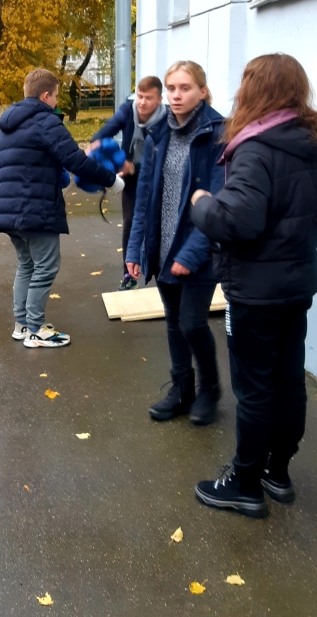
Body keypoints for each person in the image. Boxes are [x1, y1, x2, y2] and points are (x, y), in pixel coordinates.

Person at [191, 54, 317, 518]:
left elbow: (238, 220)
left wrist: (202, 203)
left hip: (255, 292)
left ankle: (245, 483)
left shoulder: (256, 146)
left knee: (255, 388)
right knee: (288, 380)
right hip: (296, 286)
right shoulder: (310, 142)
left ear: (255, 90)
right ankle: (279, 471)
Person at [126, 61, 225, 425]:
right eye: (171, 88)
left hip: (199, 250)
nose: (176, 95)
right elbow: (144, 198)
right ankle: (182, 390)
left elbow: (220, 200)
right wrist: (136, 249)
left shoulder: (218, 134)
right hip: (164, 247)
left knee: (193, 323)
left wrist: (192, 253)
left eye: (185, 88)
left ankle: (210, 390)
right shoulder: (160, 132)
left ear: (203, 91)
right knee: (173, 322)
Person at [0, 68, 117, 346]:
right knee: (46, 266)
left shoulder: (10, 124)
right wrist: (112, 180)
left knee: (27, 265)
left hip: (10, 209)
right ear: (45, 95)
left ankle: (22, 325)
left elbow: (32, 161)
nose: (57, 102)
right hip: (35, 209)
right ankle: (36, 330)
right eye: (57, 96)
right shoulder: (45, 120)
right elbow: (75, 161)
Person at [89, 76, 167, 290]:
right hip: (131, 178)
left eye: (148, 98)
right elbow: (105, 132)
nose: (142, 102)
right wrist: (95, 146)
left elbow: (162, 160)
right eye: (139, 97)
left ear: (159, 99)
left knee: (161, 222)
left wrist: (133, 167)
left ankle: (164, 270)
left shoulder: (167, 120)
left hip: (158, 176)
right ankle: (129, 275)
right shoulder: (128, 110)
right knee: (131, 223)